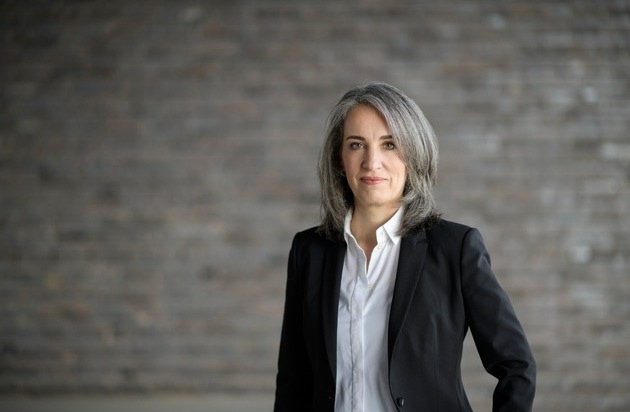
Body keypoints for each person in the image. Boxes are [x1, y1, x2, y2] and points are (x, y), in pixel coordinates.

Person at [274, 82, 536, 412]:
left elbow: (517, 367)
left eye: (390, 145)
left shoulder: (455, 249)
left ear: (413, 154)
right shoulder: (309, 252)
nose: (372, 162)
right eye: (357, 145)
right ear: (339, 158)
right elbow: (293, 382)